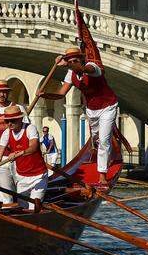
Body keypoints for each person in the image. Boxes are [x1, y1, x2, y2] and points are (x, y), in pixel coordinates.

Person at [37, 46, 119, 187]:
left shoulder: (92, 67)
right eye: (70, 61)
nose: (73, 63)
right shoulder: (70, 74)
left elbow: (85, 70)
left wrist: (69, 64)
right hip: (92, 109)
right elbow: (61, 94)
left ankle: (102, 174)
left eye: (75, 60)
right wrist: (44, 94)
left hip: (108, 106)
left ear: (82, 60)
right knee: (97, 139)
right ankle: (101, 154)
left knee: (104, 140)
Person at [0, 105, 48, 211]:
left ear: (20, 119)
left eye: (13, 121)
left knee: (33, 209)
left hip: (38, 176)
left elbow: (33, 147)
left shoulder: (30, 128)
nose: (9, 124)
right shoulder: (6, 133)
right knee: (22, 209)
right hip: (21, 177)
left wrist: (18, 153)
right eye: (7, 121)